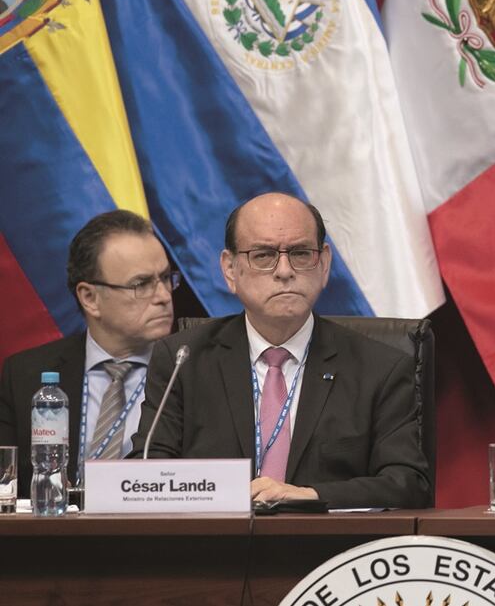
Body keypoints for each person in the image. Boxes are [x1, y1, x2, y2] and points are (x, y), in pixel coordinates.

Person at [129, 193, 430, 509]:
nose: (285, 270)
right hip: (211, 551)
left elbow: (408, 483)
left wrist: (309, 496)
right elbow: (149, 472)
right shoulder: (183, 360)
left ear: (324, 264)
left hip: (330, 551)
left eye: (301, 254)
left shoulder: (380, 368)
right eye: (264, 255)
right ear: (230, 270)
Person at [0, 210, 176, 496]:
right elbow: (5, 484)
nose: (164, 296)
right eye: (141, 284)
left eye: (166, 278)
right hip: (54, 536)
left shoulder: (195, 368)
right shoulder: (25, 375)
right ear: (90, 298)